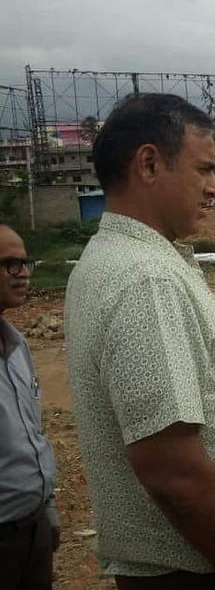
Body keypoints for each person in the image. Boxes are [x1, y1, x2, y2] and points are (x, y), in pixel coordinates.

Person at [64, 94, 215, 590]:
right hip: (203, 570)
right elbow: (171, 469)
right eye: (205, 170)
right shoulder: (147, 279)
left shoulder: (111, 259)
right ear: (149, 163)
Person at [0, 223, 60, 589]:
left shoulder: (18, 346)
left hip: (32, 527)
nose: (23, 274)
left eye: (25, 263)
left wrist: (47, 510)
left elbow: (32, 436)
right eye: (9, 264)